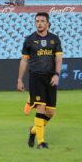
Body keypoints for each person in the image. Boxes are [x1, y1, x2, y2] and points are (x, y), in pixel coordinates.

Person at [17, 13, 63, 149]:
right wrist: (20, 79)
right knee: (41, 108)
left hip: (50, 78)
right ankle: (41, 142)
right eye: (37, 21)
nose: (39, 23)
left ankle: (33, 131)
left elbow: (58, 59)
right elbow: (24, 60)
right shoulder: (29, 40)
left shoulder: (55, 39)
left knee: (50, 113)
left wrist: (57, 74)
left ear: (48, 23)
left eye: (42, 21)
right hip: (36, 77)